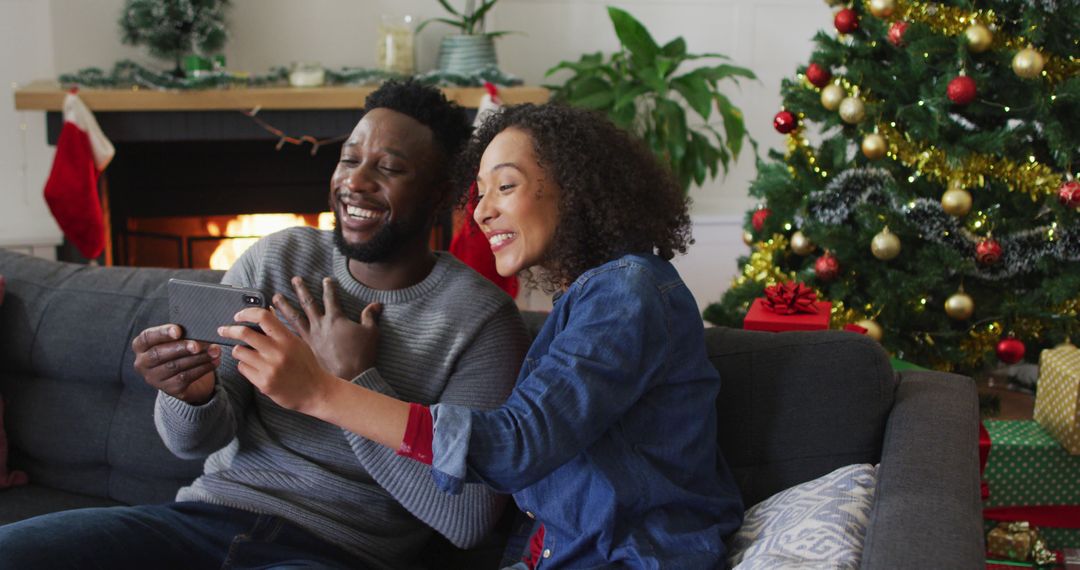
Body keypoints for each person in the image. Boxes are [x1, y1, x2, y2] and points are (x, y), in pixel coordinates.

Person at [0, 80, 530, 570]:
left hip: (336, 551)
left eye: (389, 168)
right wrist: (191, 393)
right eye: (348, 159)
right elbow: (192, 442)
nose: (355, 181)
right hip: (200, 522)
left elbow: (466, 520)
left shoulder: (479, 320)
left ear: (441, 194)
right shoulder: (278, 258)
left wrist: (354, 382)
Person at [218, 103, 745, 569]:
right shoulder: (583, 305)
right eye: (479, 192)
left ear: (576, 188)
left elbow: (513, 444)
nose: (481, 210)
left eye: (506, 186)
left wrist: (324, 392)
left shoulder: (629, 293)